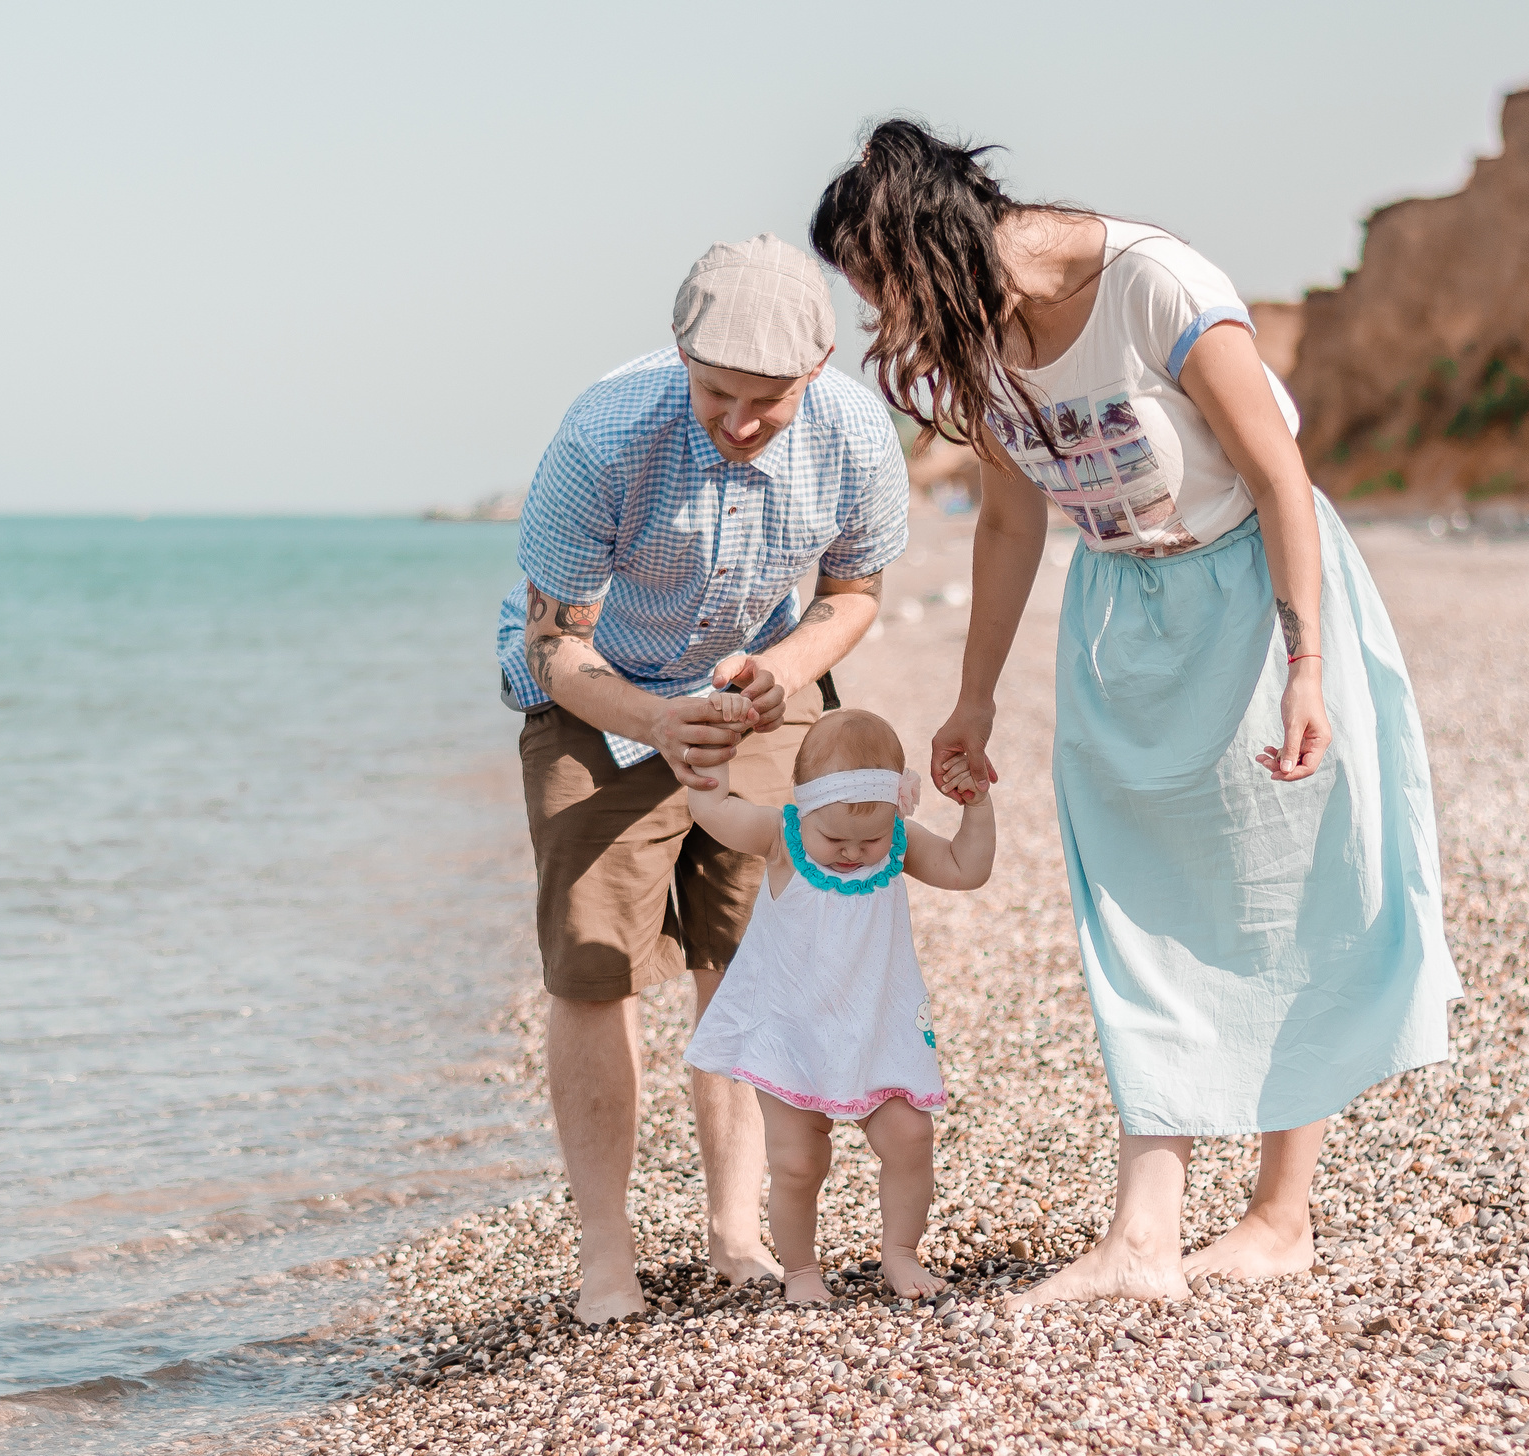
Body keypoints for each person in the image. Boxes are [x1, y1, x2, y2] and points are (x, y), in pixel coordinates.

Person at [809, 120, 1461, 1308]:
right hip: (1122, 615)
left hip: (1255, 592)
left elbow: (1276, 475)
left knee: (1284, 888)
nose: (882, 327)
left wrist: (1307, 662)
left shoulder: (1156, 285)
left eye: (879, 292)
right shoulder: (976, 336)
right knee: (1136, 905)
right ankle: (1146, 1235)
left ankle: (1278, 1217)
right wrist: (972, 699)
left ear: (927, 245)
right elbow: (1009, 522)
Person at [495, 235, 910, 1323]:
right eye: (717, 393)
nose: (739, 421)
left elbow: (854, 593)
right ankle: (606, 1259)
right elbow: (551, 645)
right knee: (594, 969)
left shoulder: (858, 433)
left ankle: (736, 1234)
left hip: (760, 686)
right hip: (601, 698)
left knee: (747, 952)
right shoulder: (603, 435)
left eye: (767, 401)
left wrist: (781, 673)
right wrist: (653, 722)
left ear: (815, 372)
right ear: (681, 354)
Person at [680, 710, 997, 1306]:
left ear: (893, 816)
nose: (853, 852)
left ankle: (900, 1252)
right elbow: (713, 810)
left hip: (878, 1027)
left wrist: (975, 806)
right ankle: (800, 1270)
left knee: (910, 1136)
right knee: (798, 1159)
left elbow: (966, 869)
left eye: (869, 839)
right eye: (836, 840)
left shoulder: (897, 846)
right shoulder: (783, 835)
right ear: (803, 811)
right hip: (791, 1034)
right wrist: (712, 759)